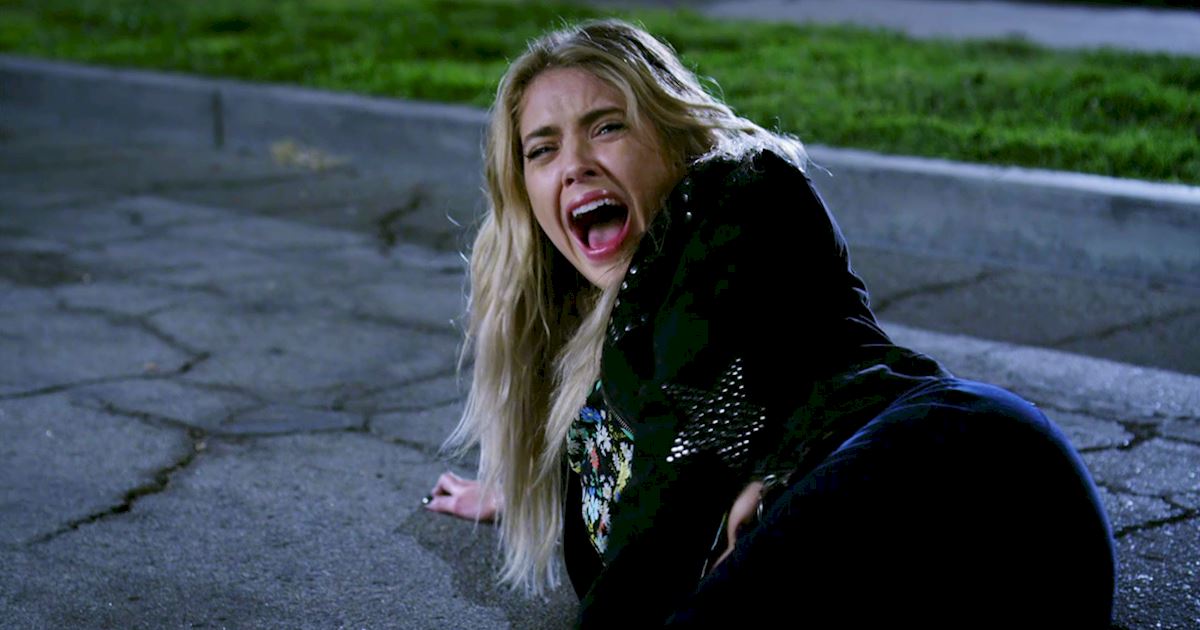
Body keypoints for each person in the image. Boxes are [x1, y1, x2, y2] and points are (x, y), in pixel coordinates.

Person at [425, 18, 1116, 627]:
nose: (575, 165)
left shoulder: (736, 200)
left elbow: (695, 446)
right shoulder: (589, 353)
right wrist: (545, 486)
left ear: (673, 138)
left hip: (963, 478)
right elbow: (667, 464)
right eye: (541, 149)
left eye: (607, 127)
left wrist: (767, 481)